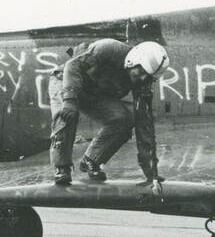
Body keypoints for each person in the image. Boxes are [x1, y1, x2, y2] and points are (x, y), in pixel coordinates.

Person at [48, 39, 169, 186]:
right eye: (142, 72)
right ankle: (62, 168)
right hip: (66, 80)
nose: (143, 78)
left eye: (148, 77)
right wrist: (69, 100)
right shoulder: (108, 49)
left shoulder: (142, 83)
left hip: (95, 93)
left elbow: (144, 126)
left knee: (124, 119)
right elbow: (72, 66)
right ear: (133, 60)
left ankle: (91, 160)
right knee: (66, 114)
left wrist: (151, 171)